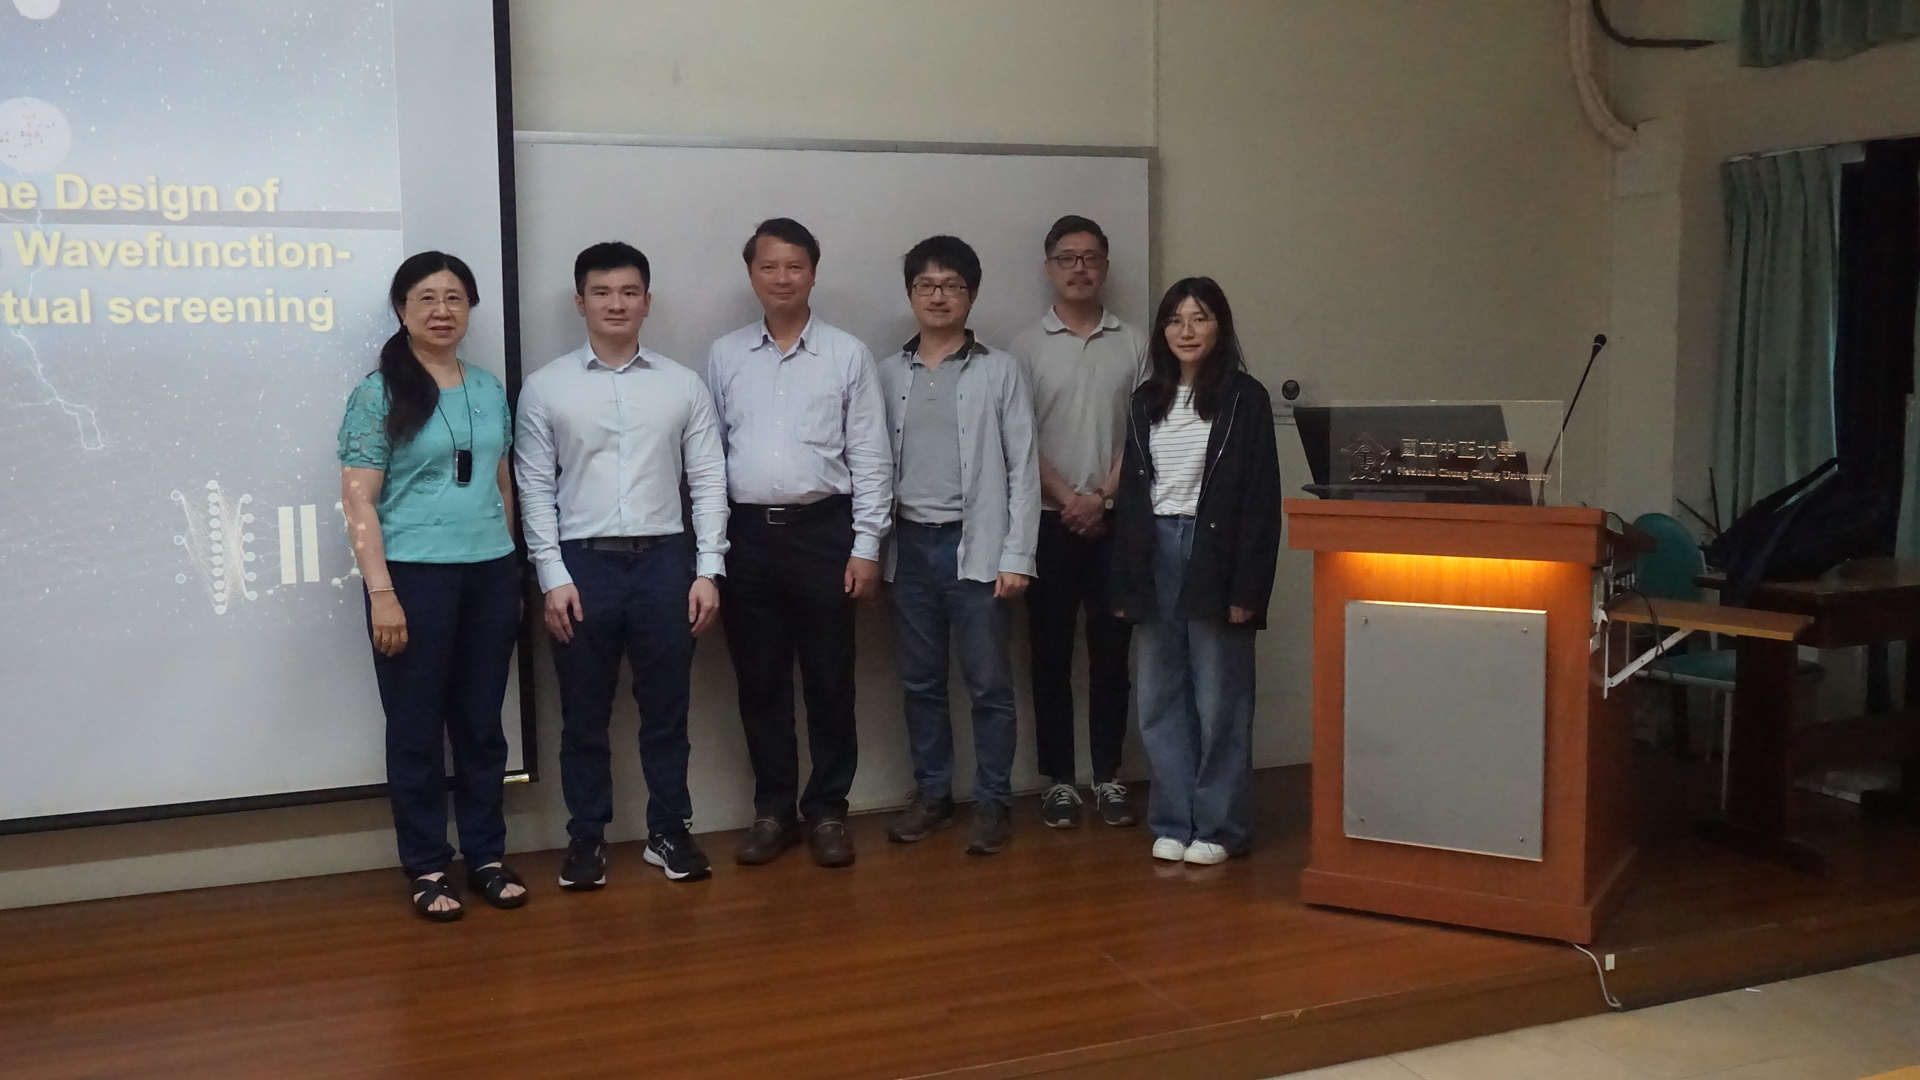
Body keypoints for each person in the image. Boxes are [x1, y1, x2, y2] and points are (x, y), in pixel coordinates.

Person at [515, 241, 728, 888]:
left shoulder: (681, 384)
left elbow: (708, 480)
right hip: (582, 568)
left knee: (667, 710)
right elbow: (533, 488)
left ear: (647, 302)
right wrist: (551, 576)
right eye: (602, 292)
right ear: (580, 301)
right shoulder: (546, 387)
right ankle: (586, 838)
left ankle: (668, 831)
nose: (616, 304)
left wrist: (708, 569)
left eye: (629, 292)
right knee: (584, 714)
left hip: (666, 563)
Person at [337, 251, 527, 922]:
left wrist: (510, 566)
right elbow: (359, 501)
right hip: (413, 579)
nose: (442, 311)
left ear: (470, 307)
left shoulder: (488, 387)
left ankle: (486, 856)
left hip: (489, 574)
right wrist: (382, 593)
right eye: (426, 298)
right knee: (417, 730)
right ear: (401, 310)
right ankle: (425, 864)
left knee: (481, 726)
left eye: (454, 298)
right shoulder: (378, 393)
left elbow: (502, 484)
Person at [705, 218, 892, 869]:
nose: (781, 278)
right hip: (748, 538)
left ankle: (829, 810)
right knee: (760, 682)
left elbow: (871, 457)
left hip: (825, 534)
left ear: (813, 272)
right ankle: (773, 811)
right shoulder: (725, 355)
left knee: (830, 680)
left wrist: (866, 546)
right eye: (768, 266)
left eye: (794, 266)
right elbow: (710, 458)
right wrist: (712, 550)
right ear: (751, 274)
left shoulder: (846, 354)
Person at [1109, 277, 1282, 866]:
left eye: (1200, 318)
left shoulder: (1245, 399)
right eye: (1175, 319)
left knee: (1220, 699)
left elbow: (1260, 501)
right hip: (1153, 548)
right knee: (1160, 697)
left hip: (1214, 554)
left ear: (1220, 328)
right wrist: (1126, 582)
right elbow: (1133, 499)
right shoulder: (1146, 399)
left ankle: (1220, 826)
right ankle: (1172, 820)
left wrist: (1248, 589)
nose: (1186, 331)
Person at [878, 235, 1041, 857]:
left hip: (977, 550)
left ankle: (994, 800)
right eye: (926, 285)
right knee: (920, 683)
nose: (938, 296)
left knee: (989, 686)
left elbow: (1023, 469)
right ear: (911, 294)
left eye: (952, 285)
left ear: (971, 295)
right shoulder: (887, 373)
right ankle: (933, 794)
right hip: (909, 550)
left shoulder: (1000, 370)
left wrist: (1017, 556)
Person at [1008, 215, 1148, 831]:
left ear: (1105, 267)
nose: (1080, 268)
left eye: (1091, 258)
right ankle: (1060, 780)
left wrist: (1103, 495)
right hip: (1048, 522)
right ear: (1049, 268)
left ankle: (1109, 775)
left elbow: (1145, 431)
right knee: (1050, 655)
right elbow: (1019, 439)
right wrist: (1069, 498)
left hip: (1116, 523)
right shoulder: (1024, 348)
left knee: (1112, 655)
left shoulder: (1135, 343)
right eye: (1067, 258)